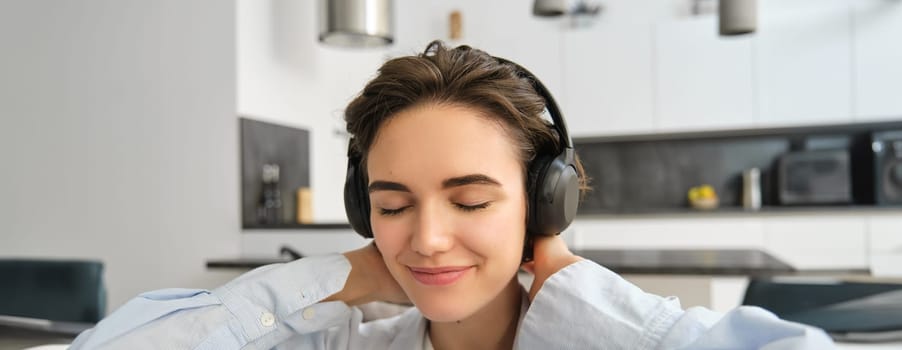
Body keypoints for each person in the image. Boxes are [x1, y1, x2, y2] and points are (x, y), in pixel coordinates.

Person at [70, 41, 834, 350]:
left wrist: (578, 296)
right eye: (393, 205)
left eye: (469, 201)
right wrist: (336, 277)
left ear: (544, 202)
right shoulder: (341, 344)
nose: (426, 239)